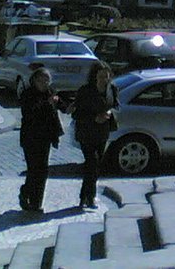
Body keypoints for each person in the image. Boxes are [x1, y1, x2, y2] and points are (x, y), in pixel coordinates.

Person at [68, 61, 118, 209]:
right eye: (101, 77)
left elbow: (117, 106)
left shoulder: (112, 89)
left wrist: (109, 113)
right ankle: (88, 197)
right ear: (94, 77)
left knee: (96, 166)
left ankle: (88, 195)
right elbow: (76, 113)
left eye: (106, 77)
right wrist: (94, 118)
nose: (104, 80)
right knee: (92, 162)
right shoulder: (85, 90)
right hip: (86, 132)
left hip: (102, 133)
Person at [18, 66, 63, 212]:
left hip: (46, 138)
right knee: (33, 170)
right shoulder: (27, 94)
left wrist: (63, 104)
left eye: (47, 80)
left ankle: (37, 203)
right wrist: (48, 103)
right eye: (41, 80)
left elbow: (61, 106)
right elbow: (30, 113)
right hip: (30, 137)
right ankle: (25, 193)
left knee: (43, 170)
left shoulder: (51, 92)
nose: (44, 83)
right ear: (34, 80)